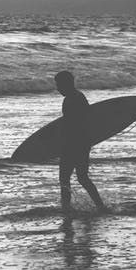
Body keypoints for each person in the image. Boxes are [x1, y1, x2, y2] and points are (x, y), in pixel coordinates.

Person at [54, 70, 107, 212]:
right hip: (81, 143)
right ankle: (100, 206)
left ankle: (67, 209)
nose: (57, 88)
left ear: (67, 84)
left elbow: (76, 123)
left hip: (74, 144)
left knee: (66, 180)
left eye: (59, 85)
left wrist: (64, 143)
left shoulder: (74, 99)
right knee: (81, 177)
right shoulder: (76, 97)